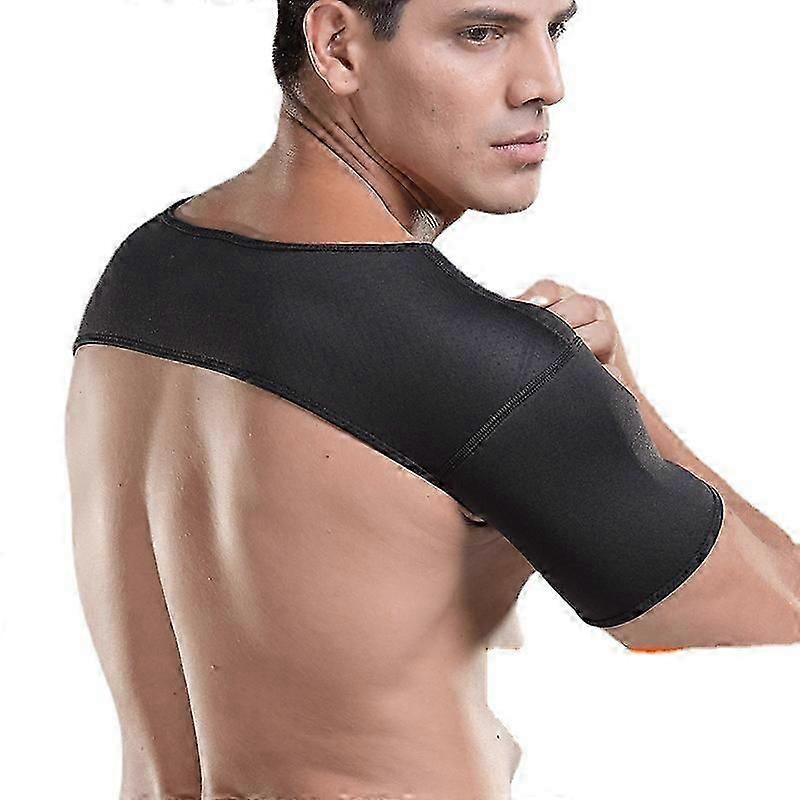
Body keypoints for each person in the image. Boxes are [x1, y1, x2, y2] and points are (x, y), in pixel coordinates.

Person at [64, 1, 800, 798]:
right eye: (480, 34)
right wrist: (625, 405)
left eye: (554, 29)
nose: (546, 84)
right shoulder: (483, 367)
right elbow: (782, 616)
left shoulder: (139, 275)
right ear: (338, 46)